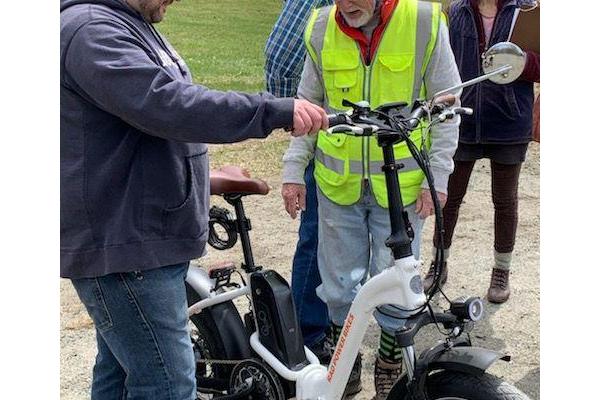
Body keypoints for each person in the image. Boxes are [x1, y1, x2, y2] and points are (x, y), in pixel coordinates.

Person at [60, 0, 327, 398]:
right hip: (128, 250)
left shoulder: (125, 23)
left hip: (139, 240)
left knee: (120, 372)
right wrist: (271, 110)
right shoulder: (92, 31)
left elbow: (154, 120)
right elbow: (169, 105)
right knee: (167, 385)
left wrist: (201, 175)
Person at [280, 0, 461, 398]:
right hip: (336, 188)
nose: (348, 4)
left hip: (403, 191)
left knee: (397, 287)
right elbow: (306, 108)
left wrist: (439, 176)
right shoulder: (321, 26)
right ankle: (346, 365)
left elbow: (447, 107)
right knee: (339, 287)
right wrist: (294, 171)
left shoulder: (425, 22)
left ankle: (390, 362)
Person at [423, 0, 540, 304]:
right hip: (462, 121)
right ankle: (439, 262)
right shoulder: (454, 11)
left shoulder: (526, 12)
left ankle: (501, 271)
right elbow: (437, 63)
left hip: (509, 122)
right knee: (449, 199)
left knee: (505, 202)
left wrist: (523, 63)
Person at [264, 0, 334, 364]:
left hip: (384, 151)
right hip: (328, 142)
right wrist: (294, 112)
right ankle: (308, 337)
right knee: (317, 238)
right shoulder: (321, 9)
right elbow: (281, 57)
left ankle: (325, 328)